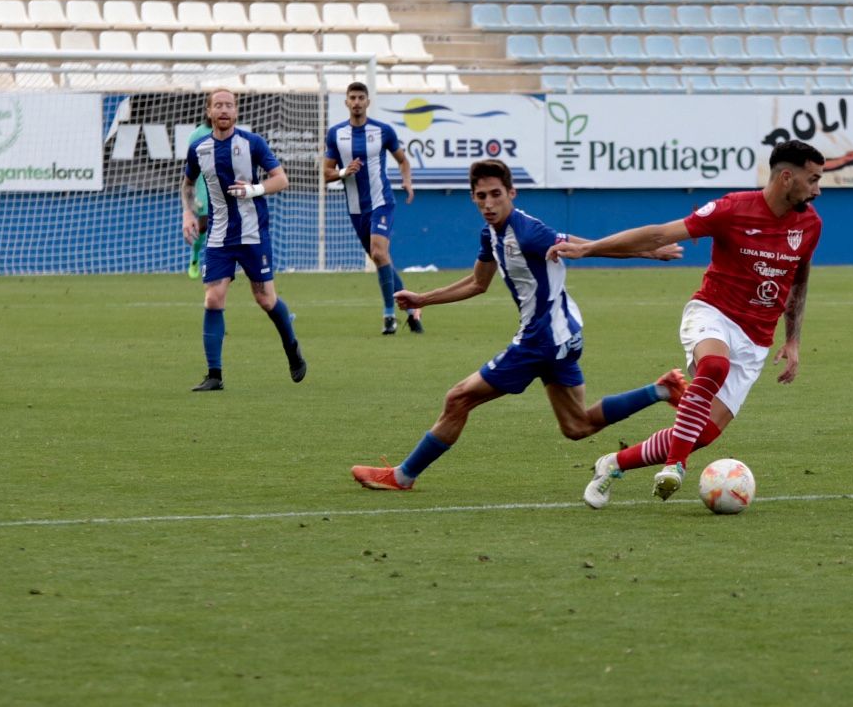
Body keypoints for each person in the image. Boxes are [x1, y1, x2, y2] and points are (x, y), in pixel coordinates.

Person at [350, 158, 686, 491]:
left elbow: (584, 247)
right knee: (577, 425)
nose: (489, 203)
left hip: (541, 340)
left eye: (496, 194)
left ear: (512, 192)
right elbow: (477, 284)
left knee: (458, 399)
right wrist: (423, 299)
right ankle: (661, 389)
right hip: (562, 334)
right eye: (481, 196)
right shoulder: (491, 235)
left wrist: (647, 252)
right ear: (473, 198)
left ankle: (402, 476)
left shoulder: (528, 233)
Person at [548, 140, 825, 508]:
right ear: (787, 177)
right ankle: (675, 466)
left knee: (703, 432)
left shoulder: (809, 225)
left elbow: (798, 280)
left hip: (756, 338)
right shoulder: (732, 209)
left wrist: (792, 341)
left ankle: (612, 464)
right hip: (713, 312)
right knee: (714, 365)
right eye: (813, 179)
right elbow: (661, 233)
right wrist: (589, 248)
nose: (818, 189)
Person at [181, 89, 306, 392]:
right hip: (219, 236)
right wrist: (187, 214)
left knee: (265, 299)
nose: (224, 110)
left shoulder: (252, 143)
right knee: (213, 298)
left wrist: (253, 189)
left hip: (253, 234)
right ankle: (215, 374)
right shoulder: (199, 148)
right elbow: (186, 184)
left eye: (229, 105)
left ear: (236, 112)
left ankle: (291, 347)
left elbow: (281, 179)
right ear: (209, 112)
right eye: (218, 105)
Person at [323, 81, 423, 335]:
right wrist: (345, 171)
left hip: (382, 202)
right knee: (381, 260)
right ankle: (412, 309)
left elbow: (403, 161)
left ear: (368, 102)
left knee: (379, 254)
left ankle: (389, 316)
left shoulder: (383, 131)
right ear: (346, 102)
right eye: (352, 98)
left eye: (361, 98)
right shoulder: (336, 133)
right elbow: (325, 173)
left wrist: (407, 182)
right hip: (356, 208)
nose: (356, 102)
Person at [185, 119, 211, 280]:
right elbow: (191, 165)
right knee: (203, 227)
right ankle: (194, 258)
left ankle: (211, 267)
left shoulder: (232, 133)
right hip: (203, 185)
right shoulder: (196, 135)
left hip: (223, 186)